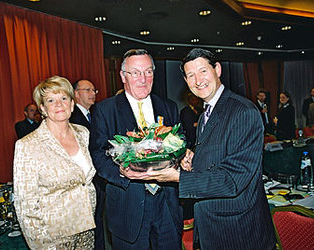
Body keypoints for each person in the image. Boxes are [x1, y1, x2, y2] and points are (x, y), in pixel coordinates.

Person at [145, 48, 276, 249]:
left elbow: (232, 179)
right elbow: (220, 156)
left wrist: (178, 177)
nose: (198, 80)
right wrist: (193, 159)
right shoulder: (208, 111)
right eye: (191, 75)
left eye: (203, 71)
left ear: (217, 69)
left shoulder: (243, 111)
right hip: (211, 225)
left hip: (237, 231)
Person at [90, 49, 183, 249]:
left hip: (166, 202)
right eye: (136, 73)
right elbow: (97, 154)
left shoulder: (169, 107)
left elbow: (180, 144)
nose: (143, 79)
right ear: (123, 76)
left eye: (148, 72)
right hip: (128, 204)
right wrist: (121, 172)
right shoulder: (105, 110)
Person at [13, 76, 96, 249]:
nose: (59, 104)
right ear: (42, 108)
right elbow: (25, 206)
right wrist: (40, 245)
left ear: (72, 104)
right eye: (51, 100)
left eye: (64, 98)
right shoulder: (27, 145)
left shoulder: (83, 133)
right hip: (53, 237)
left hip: (87, 228)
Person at [70, 78, 106, 250]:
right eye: (88, 90)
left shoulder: (95, 114)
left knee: (97, 220)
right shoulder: (72, 118)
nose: (93, 94)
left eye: (94, 90)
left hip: (97, 177)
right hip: (83, 179)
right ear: (76, 94)